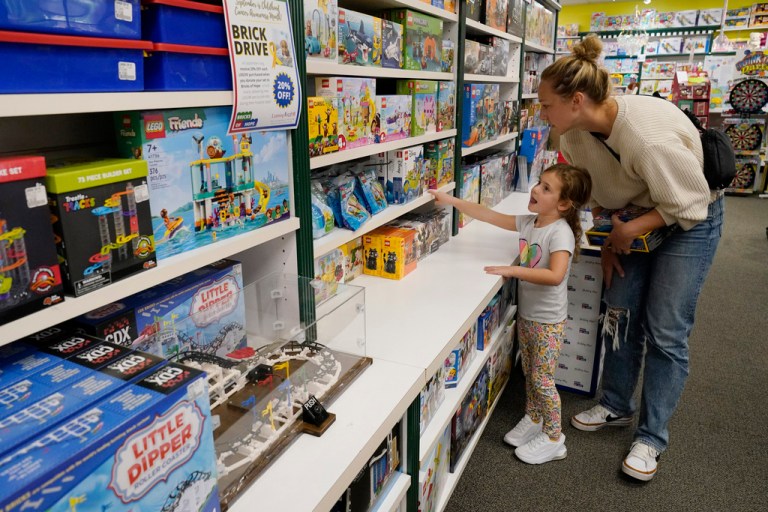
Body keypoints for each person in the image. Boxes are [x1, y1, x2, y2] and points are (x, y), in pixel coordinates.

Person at [538, 35, 724, 481]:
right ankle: (616, 403)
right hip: (633, 215)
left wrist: (627, 230)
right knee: (619, 311)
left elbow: (691, 203)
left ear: (576, 100)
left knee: (666, 327)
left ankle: (652, 436)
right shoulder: (575, 132)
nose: (540, 113)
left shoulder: (645, 137)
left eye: (545, 104)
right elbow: (594, 191)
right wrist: (606, 236)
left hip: (689, 216)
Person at [430, 163, 592, 464]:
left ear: (564, 203)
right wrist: (451, 200)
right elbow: (490, 215)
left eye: (546, 188)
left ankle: (555, 437)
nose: (535, 190)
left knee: (543, 379)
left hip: (549, 321)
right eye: (539, 183)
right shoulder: (532, 223)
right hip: (530, 315)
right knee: (530, 372)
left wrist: (513, 270)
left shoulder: (560, 233)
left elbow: (556, 275)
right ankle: (533, 418)